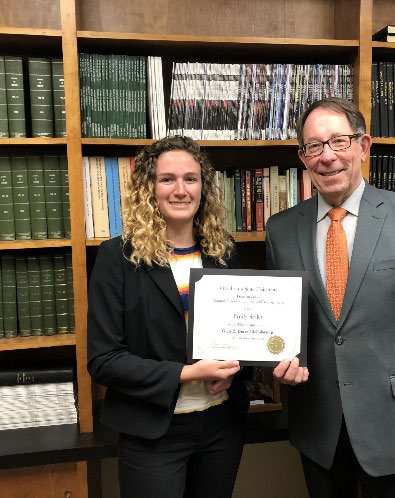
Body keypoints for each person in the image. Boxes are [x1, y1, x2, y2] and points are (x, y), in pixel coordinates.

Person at [266, 97, 395, 498]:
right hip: (319, 431)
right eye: (314, 147)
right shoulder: (281, 229)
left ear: (363, 145)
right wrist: (278, 360)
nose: (327, 157)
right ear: (302, 157)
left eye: (338, 141)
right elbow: (284, 323)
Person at [87, 135, 248, 498]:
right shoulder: (118, 258)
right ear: (149, 187)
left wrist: (230, 374)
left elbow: (239, 336)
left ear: (203, 188)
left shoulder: (223, 252)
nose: (180, 190)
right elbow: (104, 360)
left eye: (191, 179)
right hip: (152, 432)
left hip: (221, 426)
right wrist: (190, 373)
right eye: (167, 179)